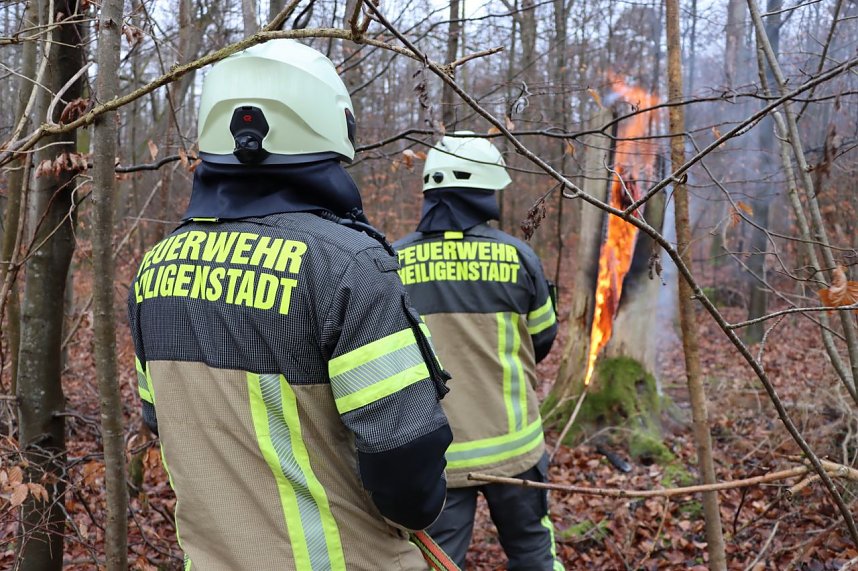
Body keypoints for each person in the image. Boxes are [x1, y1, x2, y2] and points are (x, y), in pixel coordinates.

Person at [127, 40, 454, 570]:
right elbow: (406, 472)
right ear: (330, 128)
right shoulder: (348, 264)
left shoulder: (154, 267)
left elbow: (160, 418)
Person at [393, 132, 562, 571]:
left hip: (437, 455)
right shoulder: (520, 258)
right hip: (516, 451)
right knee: (533, 554)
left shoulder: (391, 261)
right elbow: (542, 339)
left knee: (440, 563)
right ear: (484, 193)